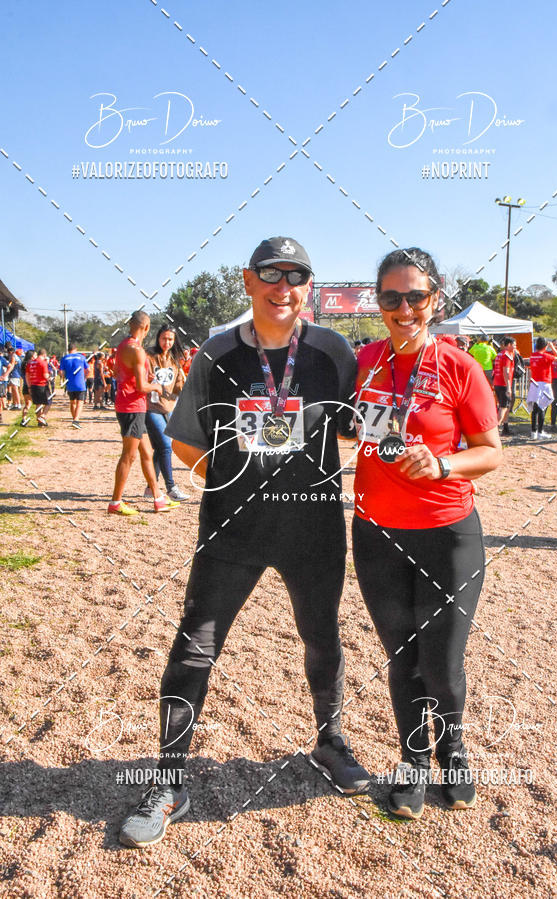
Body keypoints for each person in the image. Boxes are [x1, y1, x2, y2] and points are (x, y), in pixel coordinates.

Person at [119, 236, 369, 848]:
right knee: (194, 646)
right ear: (248, 280)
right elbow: (184, 441)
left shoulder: (335, 351)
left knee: (321, 635)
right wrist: (233, 480)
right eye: (270, 274)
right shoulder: (218, 351)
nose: (283, 287)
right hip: (232, 530)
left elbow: (362, 425)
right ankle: (169, 779)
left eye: (296, 276)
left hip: (312, 528)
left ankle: (330, 742)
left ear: (308, 286)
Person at [351, 247, 502, 820]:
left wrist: (442, 464)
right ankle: (414, 759)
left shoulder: (460, 366)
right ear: (379, 303)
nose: (405, 308)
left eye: (416, 296)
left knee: (441, 662)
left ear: (435, 299)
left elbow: (490, 452)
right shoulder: (365, 360)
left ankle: (453, 748)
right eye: (392, 297)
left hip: (447, 534)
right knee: (402, 657)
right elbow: (343, 425)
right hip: (377, 535)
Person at [108, 311, 180, 516]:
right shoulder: (138, 351)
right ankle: (115, 502)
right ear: (147, 328)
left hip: (130, 405)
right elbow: (141, 386)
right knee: (129, 456)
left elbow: (116, 372)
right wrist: (156, 387)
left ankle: (158, 498)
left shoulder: (123, 345)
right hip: (132, 407)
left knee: (147, 452)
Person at [144, 324, 190, 501]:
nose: (167, 342)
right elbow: (140, 377)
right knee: (165, 446)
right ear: (158, 338)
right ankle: (171, 488)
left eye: (170, 339)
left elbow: (178, 387)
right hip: (150, 407)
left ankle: (151, 488)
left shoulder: (174, 360)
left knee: (160, 448)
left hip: (168, 408)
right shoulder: (149, 356)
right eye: (164, 338)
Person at [526, 337, 557, 440]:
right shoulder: (545, 356)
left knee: (535, 408)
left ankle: (533, 432)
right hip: (544, 383)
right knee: (542, 407)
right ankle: (540, 432)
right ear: (545, 346)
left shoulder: (533, 355)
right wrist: (552, 348)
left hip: (534, 383)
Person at [60, 343, 90, 428]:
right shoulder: (81, 357)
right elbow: (88, 369)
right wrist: (85, 378)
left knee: (72, 402)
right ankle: (76, 420)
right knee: (80, 402)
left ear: (68, 350)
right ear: (76, 349)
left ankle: (74, 419)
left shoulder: (64, 358)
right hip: (80, 383)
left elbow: (61, 372)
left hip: (70, 383)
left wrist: (64, 379)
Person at [492, 337, 516, 437]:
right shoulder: (506, 356)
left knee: (506, 406)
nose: (515, 347)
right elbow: (506, 371)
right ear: (509, 345)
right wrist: (508, 387)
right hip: (503, 384)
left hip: (497, 382)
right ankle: (495, 429)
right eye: (514, 345)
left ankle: (505, 428)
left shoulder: (499, 354)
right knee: (503, 407)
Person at [25, 347, 51, 427]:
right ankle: (42, 416)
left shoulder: (30, 363)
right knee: (49, 402)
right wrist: (50, 378)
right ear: (44, 355)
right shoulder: (43, 362)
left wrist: (29, 386)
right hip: (42, 385)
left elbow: (27, 375)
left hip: (33, 385)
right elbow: (45, 375)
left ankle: (40, 422)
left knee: (38, 403)